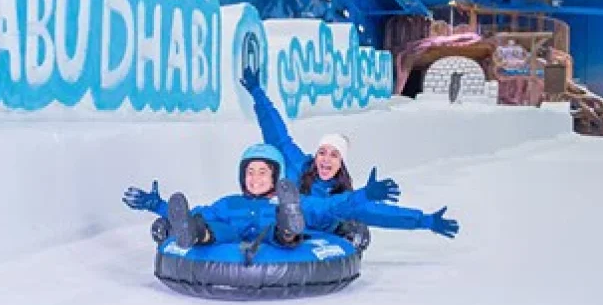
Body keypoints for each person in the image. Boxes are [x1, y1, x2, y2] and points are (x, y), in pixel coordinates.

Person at [239, 65, 459, 247]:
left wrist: (425, 220)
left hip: (322, 231)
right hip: (288, 224)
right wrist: (257, 92)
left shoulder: (343, 195)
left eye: (334, 155)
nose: (326, 159)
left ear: (341, 164)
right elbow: (277, 134)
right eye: (322, 152)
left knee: (349, 221)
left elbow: (382, 213)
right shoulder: (298, 165)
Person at [122, 143, 401, 259]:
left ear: (275, 176)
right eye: (250, 173)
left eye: (263, 172)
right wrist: (157, 205)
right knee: (213, 226)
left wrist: (365, 194)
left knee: (282, 229)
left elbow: (333, 206)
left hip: (274, 234)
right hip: (233, 233)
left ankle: (290, 227)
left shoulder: (295, 201)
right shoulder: (230, 202)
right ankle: (194, 235)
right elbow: (196, 211)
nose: (255, 179)